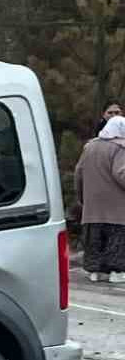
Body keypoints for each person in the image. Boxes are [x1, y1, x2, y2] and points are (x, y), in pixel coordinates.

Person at [76, 115, 125, 283]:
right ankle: (116, 273)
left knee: (94, 238)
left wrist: (81, 196)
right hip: (116, 206)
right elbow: (121, 173)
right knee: (116, 238)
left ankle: (95, 272)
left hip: (92, 205)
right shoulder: (120, 148)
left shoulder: (89, 147)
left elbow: (78, 172)